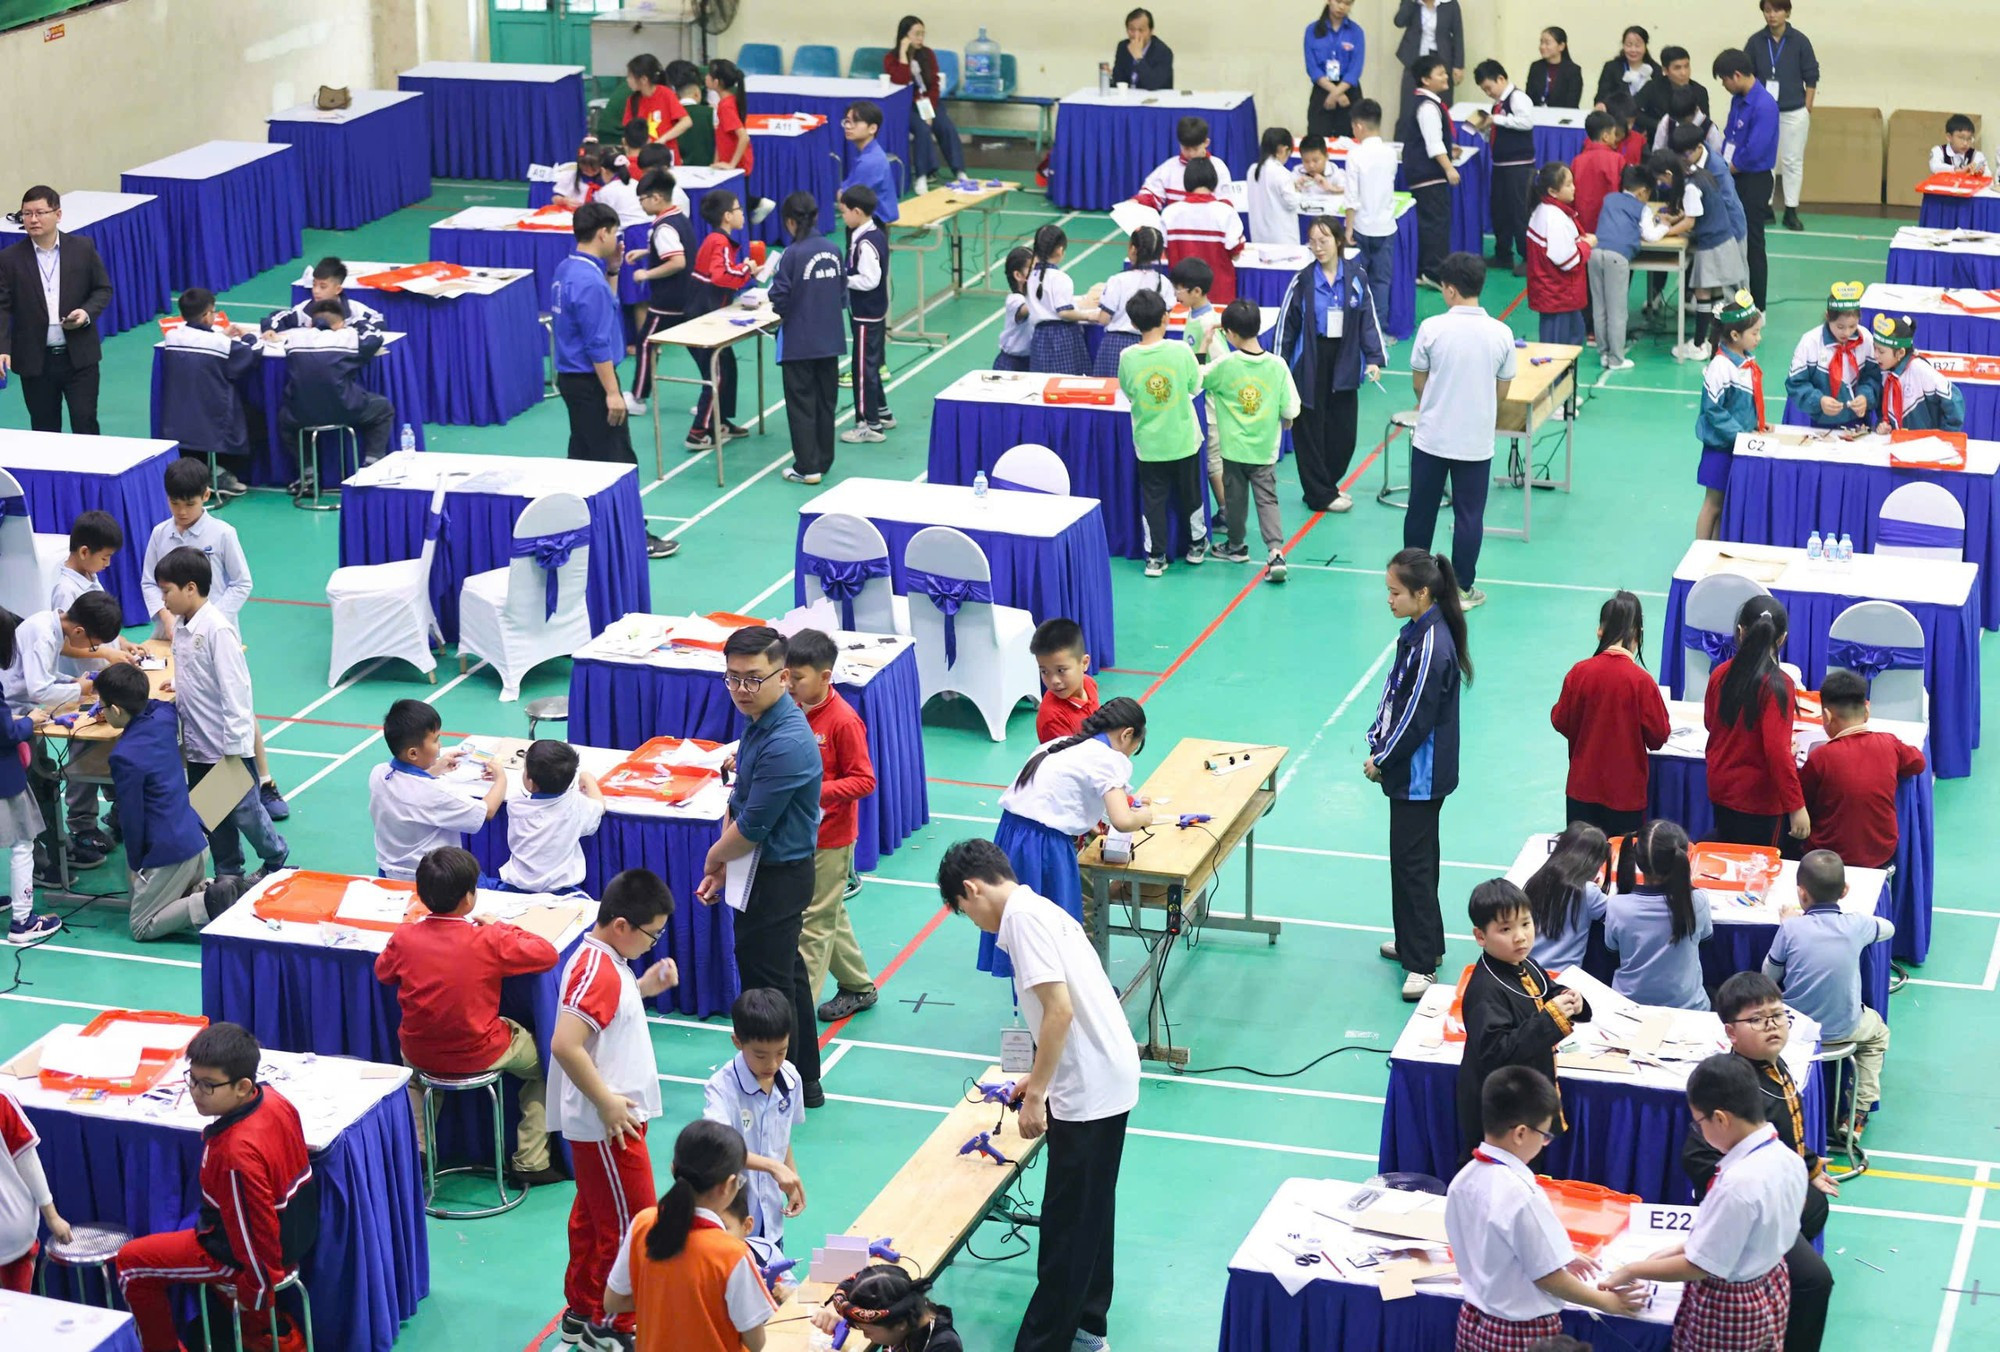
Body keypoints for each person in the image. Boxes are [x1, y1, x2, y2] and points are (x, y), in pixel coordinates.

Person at [936, 837, 1140, 1352]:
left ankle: (1044, 1343)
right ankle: (1089, 1326)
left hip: (1090, 1091)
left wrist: (1037, 1096)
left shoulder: (1021, 923)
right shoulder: (1039, 907)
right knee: (1093, 1211)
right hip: (1106, 1075)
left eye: (965, 911)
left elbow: (1060, 1010)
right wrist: (1038, 1077)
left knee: (1067, 1228)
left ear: (972, 889)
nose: (974, 922)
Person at [114, 1023, 316, 1352]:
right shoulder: (276, 1100)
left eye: (207, 1085)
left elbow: (255, 1232)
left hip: (238, 1256)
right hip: (295, 1233)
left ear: (243, 1086)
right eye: (192, 1079)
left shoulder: (234, 1154)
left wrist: (256, 1289)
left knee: (131, 1262)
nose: (195, 1091)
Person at [696, 627, 827, 1105]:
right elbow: (741, 796)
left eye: (753, 679)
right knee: (787, 974)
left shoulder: (788, 742)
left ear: (783, 676)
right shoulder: (760, 722)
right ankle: (804, 1078)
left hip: (778, 876)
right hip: (756, 868)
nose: (741, 691)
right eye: (732, 679)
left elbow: (753, 825)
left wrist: (713, 859)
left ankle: (779, 1086)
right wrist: (725, 868)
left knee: (766, 985)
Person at [550, 869, 680, 1349]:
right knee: (634, 1226)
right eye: (652, 933)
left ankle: (584, 1309)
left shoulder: (607, 962)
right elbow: (566, 1044)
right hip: (610, 1126)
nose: (654, 942)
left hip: (609, 1123)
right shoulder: (599, 969)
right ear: (622, 925)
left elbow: (607, 1015)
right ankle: (614, 1328)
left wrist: (643, 987)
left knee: (594, 1218)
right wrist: (605, 1102)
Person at [375, 845, 561, 1180]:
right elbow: (546, 954)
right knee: (549, 1065)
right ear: (468, 899)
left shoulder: (405, 937)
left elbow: (383, 973)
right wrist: (500, 926)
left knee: (414, 1081)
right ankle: (532, 1161)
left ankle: (417, 1151)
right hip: (481, 1050)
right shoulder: (487, 939)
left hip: (420, 1051)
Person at [1600, 1054, 1806, 1352]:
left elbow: (1698, 1266)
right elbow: (1748, 1234)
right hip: (1770, 1283)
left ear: (1720, 1119)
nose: (1699, 1131)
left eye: (1699, 1123)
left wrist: (1633, 1270)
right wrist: (1681, 1247)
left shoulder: (1738, 1185)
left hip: (1729, 1306)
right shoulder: (1788, 1160)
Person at [1680, 972, 1834, 1352]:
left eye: (1778, 1016)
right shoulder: (1730, 1084)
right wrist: (1751, 1184)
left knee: (1817, 1208)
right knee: (1816, 1280)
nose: (1772, 1026)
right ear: (1731, 1033)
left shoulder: (1775, 1064)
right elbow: (1696, 1155)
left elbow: (1786, 1128)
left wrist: (1810, 1166)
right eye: (1757, 1020)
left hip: (1784, 1194)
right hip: (1750, 1212)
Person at [1447, 1066, 1645, 1348]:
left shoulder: (1463, 1179)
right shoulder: (1521, 1194)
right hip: (1520, 1333)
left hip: (1472, 1320)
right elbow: (1549, 1278)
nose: (1545, 1144)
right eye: (1544, 1135)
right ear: (1520, 1133)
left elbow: (1496, 1247)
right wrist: (1606, 1301)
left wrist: (1558, 1254)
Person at [1369, 549, 1472, 999]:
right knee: (1413, 860)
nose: (1388, 599)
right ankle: (1418, 942)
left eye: (1395, 592)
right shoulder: (1417, 630)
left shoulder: (1433, 645)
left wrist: (1383, 759)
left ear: (1422, 593)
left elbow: (1415, 717)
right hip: (1411, 772)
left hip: (1419, 775)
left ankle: (1423, 963)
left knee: (1414, 866)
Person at [988, 698, 1152, 977]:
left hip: (1009, 836)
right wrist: (1145, 816)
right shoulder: (1110, 759)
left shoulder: (1065, 743)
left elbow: (1068, 792)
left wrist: (1128, 800)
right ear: (1126, 735)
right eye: (1132, 749)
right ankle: (1068, 998)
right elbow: (1123, 821)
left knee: (1023, 925)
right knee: (1058, 930)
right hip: (1044, 845)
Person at [155, 547, 288, 883]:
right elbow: (195, 670)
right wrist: (180, 684)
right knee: (213, 814)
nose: (163, 599)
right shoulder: (183, 628)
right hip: (199, 745)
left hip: (226, 746)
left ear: (189, 588)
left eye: (167, 591)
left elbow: (236, 691)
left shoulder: (217, 630)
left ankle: (275, 856)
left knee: (245, 812)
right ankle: (229, 871)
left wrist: (234, 746)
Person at [554, 201, 677, 559]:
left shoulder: (569, 269)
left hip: (572, 380)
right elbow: (596, 342)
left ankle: (576, 525)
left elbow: (600, 311)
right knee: (618, 460)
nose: (619, 240)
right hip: (592, 382)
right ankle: (633, 536)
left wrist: (613, 271)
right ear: (603, 233)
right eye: (616, 234)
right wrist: (613, 392)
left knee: (582, 455)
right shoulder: (587, 281)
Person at [602, 1119, 772, 1352]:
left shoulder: (643, 1223)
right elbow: (756, 1342)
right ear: (729, 1184)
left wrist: (668, 1298)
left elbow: (613, 1301)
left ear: (674, 1169)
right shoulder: (732, 1254)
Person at [1405, 253, 1515, 606]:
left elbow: (1419, 384)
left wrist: (1440, 403)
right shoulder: (1501, 333)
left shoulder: (1432, 329)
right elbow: (1503, 390)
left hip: (1432, 438)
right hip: (1475, 443)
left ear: (1450, 290)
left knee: (1421, 511)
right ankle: (1463, 589)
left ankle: (1413, 586)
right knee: (1469, 516)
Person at [783, 629, 877, 1022]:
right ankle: (858, 986)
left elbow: (864, 780)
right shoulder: (790, 708)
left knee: (814, 925)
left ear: (825, 676)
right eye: (786, 675)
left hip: (831, 839)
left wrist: (813, 790)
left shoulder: (842, 721)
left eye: (798, 678)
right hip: (797, 835)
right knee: (829, 913)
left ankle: (795, 1019)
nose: (789, 684)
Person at [1456, 880, 1589, 1157]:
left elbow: (1545, 991)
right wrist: (1551, 1020)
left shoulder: (1525, 963)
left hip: (1526, 1097)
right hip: (1503, 1112)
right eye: (1506, 929)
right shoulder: (1484, 989)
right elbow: (1497, 1051)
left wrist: (1572, 999)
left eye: (1526, 924)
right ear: (1481, 936)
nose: (1520, 937)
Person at [1766, 850, 1893, 1131]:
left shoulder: (1791, 929)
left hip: (1796, 1029)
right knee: (1878, 1035)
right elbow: (1888, 929)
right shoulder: (1856, 925)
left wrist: (1787, 925)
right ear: (1845, 890)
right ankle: (1857, 1113)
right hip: (1844, 1028)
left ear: (1802, 894)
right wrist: (1858, 923)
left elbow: (1768, 977)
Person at [1, 593, 120, 879]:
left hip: (24, 715)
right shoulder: (44, 634)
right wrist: (80, 690)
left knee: (43, 781)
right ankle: (44, 862)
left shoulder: (49, 625)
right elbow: (38, 689)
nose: (92, 650)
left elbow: (44, 675)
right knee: (34, 790)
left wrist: (74, 682)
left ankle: (57, 849)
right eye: (94, 645)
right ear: (79, 631)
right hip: (16, 718)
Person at [1272, 215, 1383, 516]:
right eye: (1312, 241)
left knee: (1343, 432)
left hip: (1345, 356)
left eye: (1323, 241)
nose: (1317, 247)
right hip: (1310, 357)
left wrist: (1373, 358)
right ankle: (1319, 493)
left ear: (1338, 241)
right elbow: (1287, 325)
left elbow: (1367, 320)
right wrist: (1279, 365)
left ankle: (1326, 485)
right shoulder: (1304, 280)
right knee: (1308, 428)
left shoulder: (1356, 276)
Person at [99, 661, 217, 941]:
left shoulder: (123, 756)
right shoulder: (164, 717)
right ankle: (208, 887)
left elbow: (131, 817)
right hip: (198, 838)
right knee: (174, 896)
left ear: (115, 710)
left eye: (102, 705)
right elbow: (154, 704)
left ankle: (208, 901)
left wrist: (136, 865)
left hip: (171, 853)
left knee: (142, 926)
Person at [1549, 591, 1669, 834]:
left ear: (1600, 630)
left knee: (1581, 865)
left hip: (1581, 790)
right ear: (1637, 633)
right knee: (1620, 866)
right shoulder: (1641, 682)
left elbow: (1560, 719)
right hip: (1625, 797)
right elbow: (1658, 736)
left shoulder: (1579, 673)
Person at [0, 186, 112, 434]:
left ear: (58, 214)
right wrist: (2, 347)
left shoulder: (82, 248)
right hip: (36, 361)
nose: (33, 219)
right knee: (44, 429)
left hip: (79, 357)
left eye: (40, 212)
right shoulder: (9, 259)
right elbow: (2, 307)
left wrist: (85, 313)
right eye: (26, 214)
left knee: (85, 422)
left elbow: (102, 289)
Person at [703, 987, 808, 1249]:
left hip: (771, 1219)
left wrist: (792, 1178)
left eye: (781, 1052)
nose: (772, 1063)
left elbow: (781, 1138)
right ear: (737, 1041)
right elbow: (721, 1151)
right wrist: (774, 1167)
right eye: (760, 1055)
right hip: (731, 1220)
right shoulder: (721, 1088)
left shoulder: (792, 1079)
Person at [1205, 299, 1301, 580]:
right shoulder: (1277, 365)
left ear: (1230, 333)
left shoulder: (1225, 364)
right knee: (1267, 500)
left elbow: (1197, 380)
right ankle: (1275, 553)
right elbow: (1291, 408)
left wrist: (1203, 345)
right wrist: (1286, 416)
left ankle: (1235, 546)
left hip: (1233, 450)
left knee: (1235, 501)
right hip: (1264, 450)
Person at [1117, 289, 1210, 577]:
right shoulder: (1180, 350)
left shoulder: (1128, 357)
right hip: (1183, 440)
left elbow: (1130, 391)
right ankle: (1196, 544)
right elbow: (1195, 385)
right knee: (1191, 494)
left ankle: (1155, 556)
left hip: (1150, 444)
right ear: (1165, 318)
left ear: (1133, 324)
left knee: (1153, 500)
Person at [1705, 594, 1809, 849]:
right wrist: (1796, 806)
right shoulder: (1778, 685)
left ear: (1740, 632)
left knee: (1727, 858)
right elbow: (1775, 752)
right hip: (1758, 801)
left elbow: (1711, 723)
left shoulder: (1720, 674)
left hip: (1722, 788)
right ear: (1782, 638)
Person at [368, 698, 507, 881]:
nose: (440, 745)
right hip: (435, 881)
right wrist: (501, 778)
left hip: (390, 873)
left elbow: (409, 787)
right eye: (435, 740)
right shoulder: (435, 793)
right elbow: (486, 811)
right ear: (413, 753)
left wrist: (434, 769)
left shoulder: (378, 774)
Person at [1801, 667, 1926, 869]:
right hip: (1881, 852)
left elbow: (1802, 800)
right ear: (1867, 711)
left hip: (1829, 856)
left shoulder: (1820, 757)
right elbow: (1918, 762)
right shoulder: (1889, 744)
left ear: (1826, 716)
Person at [767, 193, 846, 487]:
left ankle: (807, 466)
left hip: (799, 342)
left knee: (801, 403)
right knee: (826, 402)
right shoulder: (833, 249)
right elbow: (841, 293)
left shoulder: (792, 254)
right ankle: (823, 460)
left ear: (789, 221)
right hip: (830, 340)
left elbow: (779, 297)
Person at [276, 297, 396, 478]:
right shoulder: (348, 337)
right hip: (345, 409)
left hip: (301, 413)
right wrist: (358, 322)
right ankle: (372, 464)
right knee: (383, 408)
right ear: (341, 324)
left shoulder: (294, 338)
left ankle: (308, 473)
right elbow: (374, 337)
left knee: (284, 419)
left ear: (310, 323)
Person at [684, 189, 764, 454]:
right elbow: (722, 275)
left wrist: (746, 273)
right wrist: (747, 269)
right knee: (715, 375)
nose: (743, 212)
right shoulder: (719, 241)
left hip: (711, 319)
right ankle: (697, 433)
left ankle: (719, 422)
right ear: (728, 216)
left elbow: (726, 276)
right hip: (700, 322)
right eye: (739, 208)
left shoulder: (720, 240)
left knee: (727, 365)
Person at [158, 288, 258, 499]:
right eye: (213, 312)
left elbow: (199, 340)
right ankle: (216, 473)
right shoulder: (221, 344)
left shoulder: (172, 336)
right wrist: (248, 337)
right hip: (212, 418)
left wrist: (220, 335)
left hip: (178, 418)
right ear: (206, 316)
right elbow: (246, 355)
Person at [1606, 819, 1713, 1010]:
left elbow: (1612, 949)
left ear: (1637, 859)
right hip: (1688, 1007)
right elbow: (1705, 941)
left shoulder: (1617, 905)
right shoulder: (1698, 902)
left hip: (1628, 1006)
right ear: (1684, 856)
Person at [1671, 124, 1750, 364]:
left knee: (1735, 289)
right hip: (1715, 232)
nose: (1683, 159)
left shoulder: (1716, 168)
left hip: (1730, 231)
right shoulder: (1694, 163)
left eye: (1686, 154)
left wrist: (1728, 240)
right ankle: (1717, 342)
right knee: (1717, 291)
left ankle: (1742, 336)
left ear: (1698, 147)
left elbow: (1724, 204)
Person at [1694, 292, 1768, 538]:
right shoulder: (1721, 367)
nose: (1759, 338)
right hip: (1721, 448)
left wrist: (1759, 425)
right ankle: (1701, 551)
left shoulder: (1745, 361)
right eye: (1754, 333)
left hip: (1739, 444)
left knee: (1725, 504)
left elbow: (1745, 404)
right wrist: (1740, 435)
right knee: (1713, 504)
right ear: (1735, 335)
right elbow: (1713, 410)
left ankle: (1715, 549)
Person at [624, 168, 695, 416]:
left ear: (656, 198)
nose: (640, 204)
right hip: (688, 296)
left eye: (641, 199)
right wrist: (646, 253)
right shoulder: (679, 217)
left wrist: (646, 274)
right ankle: (712, 396)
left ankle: (638, 397)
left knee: (645, 343)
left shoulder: (663, 227)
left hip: (668, 300)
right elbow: (675, 250)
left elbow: (677, 261)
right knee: (700, 349)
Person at [1716, 50, 1779, 309]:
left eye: (1724, 79)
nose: (1723, 85)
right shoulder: (1738, 99)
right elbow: (1731, 135)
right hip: (1734, 175)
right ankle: (1734, 297)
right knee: (1731, 239)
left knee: (1753, 242)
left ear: (1737, 75)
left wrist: (1729, 167)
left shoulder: (1765, 105)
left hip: (1753, 180)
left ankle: (1759, 306)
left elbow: (1756, 149)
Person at [500, 739, 605, 895]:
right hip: (563, 890)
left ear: (531, 782)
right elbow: (600, 806)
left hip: (516, 887)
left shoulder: (515, 804)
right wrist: (588, 779)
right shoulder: (575, 804)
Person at [1749, 0, 1819, 231]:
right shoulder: (1756, 41)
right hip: (1764, 112)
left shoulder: (1800, 40)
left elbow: (1811, 75)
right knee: (1765, 161)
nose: (1771, 15)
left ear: (1787, 12)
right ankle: (1765, 207)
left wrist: (1806, 106)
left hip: (1794, 110)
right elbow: (1747, 75)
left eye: (1777, 10)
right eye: (1767, 10)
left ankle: (1791, 209)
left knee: (1792, 160)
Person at [1589, 166, 1663, 372]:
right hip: (1617, 257)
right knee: (1617, 311)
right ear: (1642, 192)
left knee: (1600, 307)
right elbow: (1651, 236)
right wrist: (1664, 225)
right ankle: (1616, 358)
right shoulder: (1643, 208)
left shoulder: (1609, 199)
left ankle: (1604, 353)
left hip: (1595, 253)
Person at [0, 1073, 69, 1291]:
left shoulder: (2, 1102)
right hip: (14, 1233)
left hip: (12, 1237)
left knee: (17, 1317)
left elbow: (27, 1160)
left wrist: (53, 1216)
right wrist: (52, 1216)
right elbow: (28, 1161)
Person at [838, 185, 894, 444]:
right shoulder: (872, 232)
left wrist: (843, 279)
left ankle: (868, 424)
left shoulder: (865, 242)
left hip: (866, 314)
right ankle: (882, 412)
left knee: (862, 370)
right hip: (873, 312)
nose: (843, 216)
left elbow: (870, 280)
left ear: (857, 212)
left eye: (845, 212)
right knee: (871, 363)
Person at [883, 17, 964, 190]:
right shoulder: (891, 58)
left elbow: (934, 84)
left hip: (929, 102)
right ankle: (922, 175)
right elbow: (901, 81)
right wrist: (903, 55)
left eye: (923, 34)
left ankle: (959, 171)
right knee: (922, 129)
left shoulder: (928, 54)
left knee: (946, 127)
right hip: (907, 106)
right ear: (904, 36)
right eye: (916, 34)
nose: (921, 38)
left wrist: (928, 110)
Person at [1399, 57, 1459, 288]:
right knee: (1435, 222)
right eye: (1440, 73)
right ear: (1425, 80)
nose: (1446, 77)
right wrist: (1449, 167)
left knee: (1428, 222)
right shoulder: (1427, 106)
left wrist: (1448, 146)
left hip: (1421, 172)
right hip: (1429, 174)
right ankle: (1433, 272)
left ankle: (1424, 270)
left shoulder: (1426, 103)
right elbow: (1433, 144)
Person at [1781, 282, 1874, 428]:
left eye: (1852, 326)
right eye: (1840, 327)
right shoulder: (1810, 342)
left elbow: (1874, 377)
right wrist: (1819, 401)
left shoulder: (1866, 339)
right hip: (1819, 422)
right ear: (1827, 316)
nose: (1847, 333)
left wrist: (1865, 397)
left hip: (1858, 421)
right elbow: (1795, 383)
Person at [0, 674, 50, 945]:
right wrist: (28, 721)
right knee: (22, 843)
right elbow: (5, 735)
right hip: (3, 777)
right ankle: (23, 922)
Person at [1475, 61, 1537, 275]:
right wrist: (1484, 128)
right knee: (1499, 211)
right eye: (1484, 90)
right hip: (1500, 165)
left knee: (1520, 212)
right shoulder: (1497, 105)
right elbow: (1498, 130)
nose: (1488, 92)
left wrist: (1497, 119)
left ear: (1501, 79)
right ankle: (1503, 254)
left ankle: (1529, 258)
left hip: (1519, 166)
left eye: (1488, 88)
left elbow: (1526, 122)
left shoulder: (1518, 98)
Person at [810, 1264, 963, 1351]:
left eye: (867, 1331)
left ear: (900, 1325)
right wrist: (835, 1313)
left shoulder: (944, 1347)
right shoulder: (909, 1310)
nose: (865, 1336)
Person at [1524, 823, 1611, 973]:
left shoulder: (1536, 880)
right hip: (1563, 980)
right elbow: (1619, 918)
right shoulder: (1588, 892)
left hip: (1528, 970)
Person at [1090, 226, 1175, 377]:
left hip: (1115, 347)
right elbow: (1164, 319)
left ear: (1133, 249)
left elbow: (1104, 318)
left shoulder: (1118, 280)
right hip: (1151, 344)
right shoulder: (1165, 283)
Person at [1344, 100, 1398, 335]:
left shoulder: (1355, 155)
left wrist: (1348, 228)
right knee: (1381, 282)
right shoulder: (1390, 153)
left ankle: (1356, 331)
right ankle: (1380, 331)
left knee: (1356, 281)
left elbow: (1351, 196)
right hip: (1386, 226)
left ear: (1358, 126)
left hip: (1362, 227)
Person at [1525, 163, 1592, 346]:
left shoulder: (1542, 210)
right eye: (1569, 184)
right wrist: (1586, 245)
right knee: (1559, 353)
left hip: (1557, 297)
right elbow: (1567, 261)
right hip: (1559, 297)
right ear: (1553, 192)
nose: (1574, 188)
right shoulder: (1555, 218)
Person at [1162, 159, 1244, 305]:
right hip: (1219, 299)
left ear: (1186, 181)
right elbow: (1236, 253)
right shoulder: (1226, 213)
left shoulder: (1169, 214)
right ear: (1214, 181)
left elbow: (1164, 251)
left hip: (1181, 300)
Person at [1870, 314, 1965, 432]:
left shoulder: (1919, 369)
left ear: (1900, 353)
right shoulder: (1884, 371)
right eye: (1874, 348)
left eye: (1881, 351)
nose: (1875, 355)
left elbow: (1954, 398)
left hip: (1925, 444)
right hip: (1898, 442)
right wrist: (1885, 424)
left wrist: (1947, 435)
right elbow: (1884, 411)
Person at [1024, 224, 1092, 376]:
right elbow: (1064, 312)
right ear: (1060, 249)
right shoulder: (1060, 278)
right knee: (1067, 381)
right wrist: (1089, 315)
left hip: (1039, 337)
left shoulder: (1030, 277)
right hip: (1062, 337)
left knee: (1041, 383)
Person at [264, 256, 383, 336]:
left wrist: (353, 333)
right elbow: (276, 318)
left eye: (323, 286)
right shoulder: (304, 310)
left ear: (338, 289)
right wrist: (269, 329)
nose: (316, 291)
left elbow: (378, 322)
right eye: (314, 285)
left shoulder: (355, 310)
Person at [1133, 116, 1231, 211]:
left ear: (1206, 142)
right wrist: (1135, 202)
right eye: (1186, 149)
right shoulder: (1169, 167)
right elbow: (1150, 196)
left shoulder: (1218, 167)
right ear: (1180, 144)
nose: (1191, 154)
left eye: (1195, 149)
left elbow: (1225, 206)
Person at [1303, 0, 1366, 140]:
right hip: (1322, 88)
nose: (1342, 7)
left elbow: (1355, 68)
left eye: (1347, 3)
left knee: (1349, 140)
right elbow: (1312, 68)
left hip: (1348, 91)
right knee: (1317, 138)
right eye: (1338, 1)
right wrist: (1333, 91)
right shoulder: (1312, 31)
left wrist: (1337, 92)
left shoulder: (1356, 32)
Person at [1393, 0, 1463, 122]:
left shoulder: (1450, 4)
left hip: (1441, 59)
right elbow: (1399, 22)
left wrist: (1459, 65)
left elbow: (1458, 34)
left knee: (1442, 104)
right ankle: (1404, 139)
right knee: (1408, 107)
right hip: (1414, 60)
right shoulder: (1411, 3)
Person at [1031, 619, 1100, 742]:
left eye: (1061, 670)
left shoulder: (1089, 684)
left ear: (1084, 663)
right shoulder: (1052, 719)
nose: (1054, 681)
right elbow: (1068, 760)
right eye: (1044, 671)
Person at [840, 102, 901, 226]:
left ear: (872, 128)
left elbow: (846, 202)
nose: (848, 126)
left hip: (870, 226)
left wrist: (842, 195)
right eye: (846, 121)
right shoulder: (870, 154)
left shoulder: (870, 162)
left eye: (855, 122)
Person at [622, 53, 691, 157]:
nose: (628, 80)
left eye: (630, 76)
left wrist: (663, 139)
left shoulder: (666, 94)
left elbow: (686, 122)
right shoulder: (632, 100)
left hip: (666, 155)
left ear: (644, 79)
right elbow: (629, 131)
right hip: (644, 159)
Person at [1636, 46, 1709, 142]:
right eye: (1677, 68)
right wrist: (1658, 125)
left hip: (1690, 142)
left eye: (1687, 66)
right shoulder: (1652, 87)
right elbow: (1635, 112)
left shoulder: (1700, 91)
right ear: (1665, 70)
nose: (1684, 73)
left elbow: (1705, 123)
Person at [1571, 112, 1626, 237]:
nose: (1615, 137)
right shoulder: (1617, 159)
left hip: (1581, 225)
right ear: (1606, 136)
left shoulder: (1577, 161)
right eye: (1613, 133)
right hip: (1609, 223)